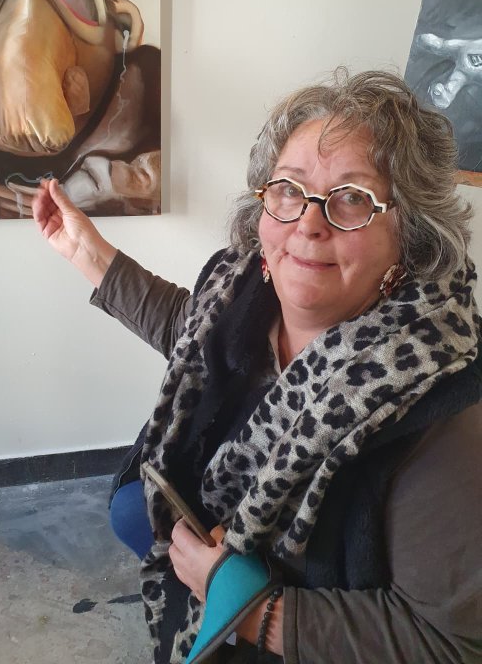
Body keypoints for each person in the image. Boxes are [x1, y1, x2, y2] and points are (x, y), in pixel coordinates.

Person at [33, 70, 482, 664]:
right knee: (132, 506)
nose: (309, 222)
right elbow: (191, 333)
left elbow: (447, 642)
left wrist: (246, 608)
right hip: (211, 551)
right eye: (290, 189)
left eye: (353, 197)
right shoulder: (242, 290)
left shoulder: (440, 406)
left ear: (410, 236)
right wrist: (83, 248)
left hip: (303, 635)